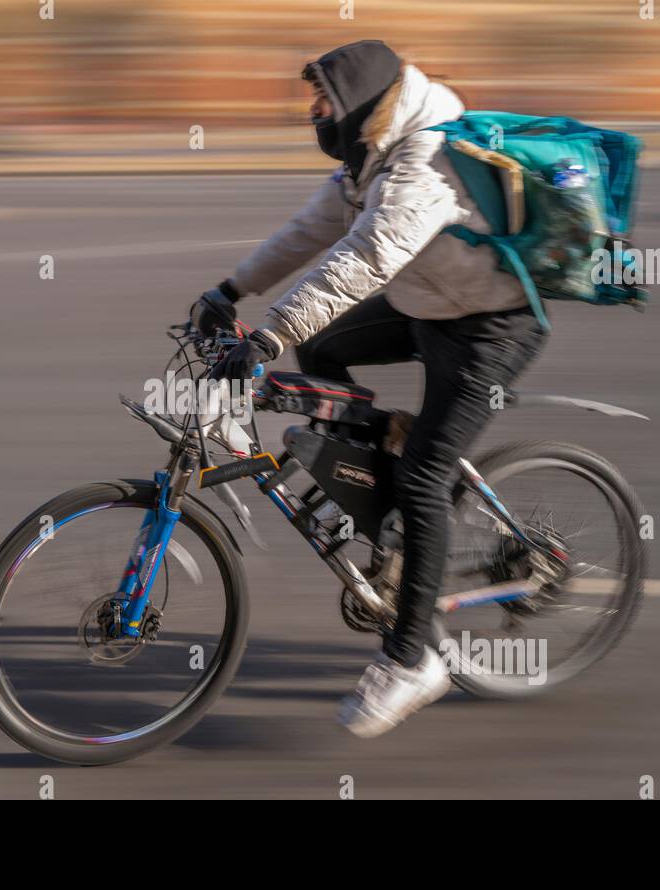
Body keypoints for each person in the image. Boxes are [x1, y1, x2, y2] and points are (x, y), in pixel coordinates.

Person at [194, 39, 547, 738]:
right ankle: (388, 508)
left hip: (489, 329)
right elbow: (310, 231)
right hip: (430, 306)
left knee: (423, 478)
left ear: (357, 101)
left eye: (322, 100)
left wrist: (268, 334)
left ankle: (412, 658)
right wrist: (229, 289)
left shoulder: (426, 157)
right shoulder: (369, 155)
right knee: (324, 349)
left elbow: (369, 256)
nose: (314, 114)